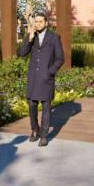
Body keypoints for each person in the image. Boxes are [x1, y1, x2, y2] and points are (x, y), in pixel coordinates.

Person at [18, 12, 65, 147]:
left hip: (46, 78)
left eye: (40, 21)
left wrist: (50, 72)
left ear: (46, 23)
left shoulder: (54, 37)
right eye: (36, 21)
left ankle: (44, 135)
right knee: (32, 104)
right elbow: (22, 53)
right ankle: (35, 129)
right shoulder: (32, 37)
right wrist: (30, 38)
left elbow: (60, 58)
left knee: (46, 106)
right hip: (33, 77)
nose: (37, 24)